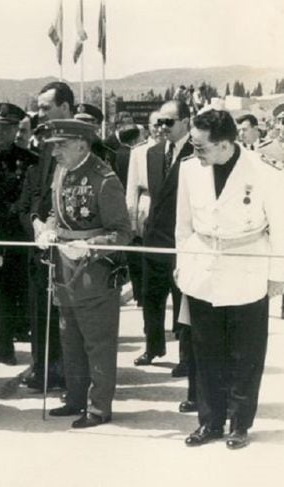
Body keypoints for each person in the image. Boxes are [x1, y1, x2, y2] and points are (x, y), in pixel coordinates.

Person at [176, 109, 284, 450]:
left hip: (247, 268)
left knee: (245, 354)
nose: (196, 153)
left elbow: (281, 227)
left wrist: (277, 276)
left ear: (225, 145)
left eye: (202, 146)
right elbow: (183, 225)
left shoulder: (265, 173)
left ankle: (240, 423)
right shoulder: (189, 170)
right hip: (203, 268)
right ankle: (210, 421)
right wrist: (182, 265)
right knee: (205, 351)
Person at [36, 119, 131, 428]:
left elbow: (122, 232)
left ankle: (99, 407)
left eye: (60, 145)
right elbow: (54, 211)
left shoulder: (104, 179)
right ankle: (75, 398)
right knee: (70, 338)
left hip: (94, 273)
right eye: (52, 146)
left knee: (98, 342)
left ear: (81, 144)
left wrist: (90, 245)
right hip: (64, 268)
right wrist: (48, 230)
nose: (54, 152)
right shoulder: (62, 171)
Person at [17, 81, 75, 390]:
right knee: (41, 311)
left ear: (64, 108)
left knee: (66, 313)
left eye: (45, 107)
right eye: (39, 108)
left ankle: (68, 370)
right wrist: (37, 224)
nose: (39, 113)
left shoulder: (82, 145)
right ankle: (42, 368)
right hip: (40, 244)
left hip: (68, 246)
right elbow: (34, 198)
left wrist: (55, 228)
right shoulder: (45, 148)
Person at [134, 101, 194, 370]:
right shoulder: (153, 153)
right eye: (159, 122)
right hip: (154, 239)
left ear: (185, 121)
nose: (162, 128)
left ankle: (185, 356)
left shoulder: (196, 153)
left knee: (183, 301)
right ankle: (153, 347)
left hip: (182, 240)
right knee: (151, 298)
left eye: (168, 122)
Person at [0, 102, 37, 365]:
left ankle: (13, 341)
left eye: (7, 127)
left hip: (19, 235)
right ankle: (1, 347)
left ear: (16, 128)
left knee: (20, 290)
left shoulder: (28, 160)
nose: (0, 132)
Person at [124, 111, 164, 307]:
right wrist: (131, 220)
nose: (159, 129)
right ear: (148, 126)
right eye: (155, 124)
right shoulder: (138, 152)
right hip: (147, 206)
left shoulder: (174, 149)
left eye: (163, 124)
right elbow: (132, 188)